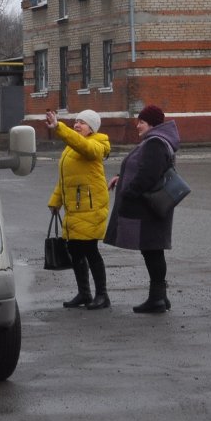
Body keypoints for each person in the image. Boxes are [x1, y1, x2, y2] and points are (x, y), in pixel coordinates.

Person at [104, 104, 180, 313]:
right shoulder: (154, 141)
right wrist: (122, 178)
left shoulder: (155, 143)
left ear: (153, 124)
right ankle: (160, 297)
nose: (137, 125)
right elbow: (142, 168)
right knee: (152, 250)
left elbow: (149, 174)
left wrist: (129, 191)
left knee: (152, 250)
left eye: (142, 122)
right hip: (152, 206)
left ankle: (157, 298)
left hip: (149, 206)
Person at [46, 108, 112, 309]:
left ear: (92, 128)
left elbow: (84, 147)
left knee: (90, 250)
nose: (77, 125)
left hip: (91, 207)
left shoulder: (97, 144)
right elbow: (66, 179)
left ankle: (102, 295)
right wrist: (55, 201)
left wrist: (60, 127)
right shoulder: (71, 146)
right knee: (75, 250)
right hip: (75, 208)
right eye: (76, 121)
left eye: (82, 122)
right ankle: (84, 293)